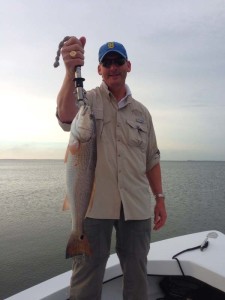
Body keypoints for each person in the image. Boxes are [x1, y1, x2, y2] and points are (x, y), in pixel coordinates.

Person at [56, 36, 167, 300]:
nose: (113, 67)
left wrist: (160, 198)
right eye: (107, 63)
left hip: (136, 205)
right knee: (87, 273)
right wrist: (71, 71)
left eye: (118, 61)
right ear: (99, 70)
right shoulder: (87, 101)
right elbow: (65, 117)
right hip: (94, 207)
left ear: (128, 65)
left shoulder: (142, 113)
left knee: (137, 271)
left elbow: (152, 158)